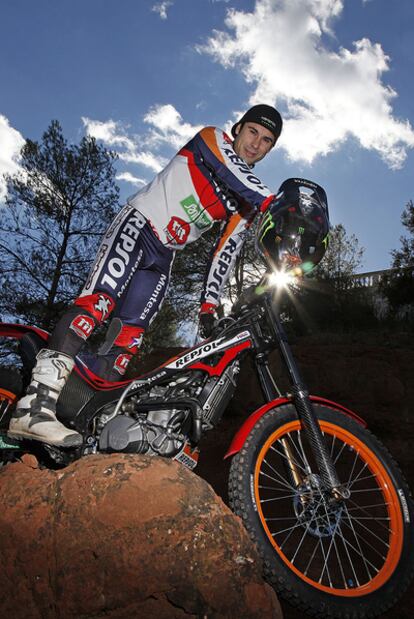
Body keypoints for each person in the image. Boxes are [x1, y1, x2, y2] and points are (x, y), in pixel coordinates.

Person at [8, 104, 283, 447]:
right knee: (98, 303)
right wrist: (276, 204)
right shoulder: (212, 140)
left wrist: (209, 307)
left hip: (165, 253)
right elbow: (233, 174)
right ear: (238, 129)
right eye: (253, 132)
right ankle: (34, 406)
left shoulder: (247, 202)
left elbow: (224, 254)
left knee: (129, 339)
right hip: (140, 223)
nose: (256, 143)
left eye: (267, 140)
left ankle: (92, 422)